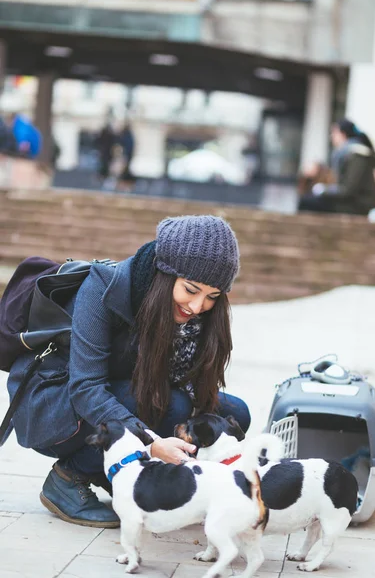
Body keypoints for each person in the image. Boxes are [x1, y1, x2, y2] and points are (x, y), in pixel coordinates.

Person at [5, 215, 249, 528]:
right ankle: (71, 476)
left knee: (234, 414)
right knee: (172, 406)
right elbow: (86, 388)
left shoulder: (192, 315)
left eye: (212, 296)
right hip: (57, 409)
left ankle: (127, 472)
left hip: (124, 394)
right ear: (165, 274)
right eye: (191, 289)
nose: (198, 306)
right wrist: (149, 442)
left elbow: (190, 389)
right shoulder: (102, 287)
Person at [298, 119, 375, 216]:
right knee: (309, 200)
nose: (332, 136)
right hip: (351, 201)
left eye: (334, 132)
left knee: (307, 202)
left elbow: (348, 190)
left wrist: (323, 191)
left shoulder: (357, 155)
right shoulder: (347, 154)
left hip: (357, 205)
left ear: (343, 134)